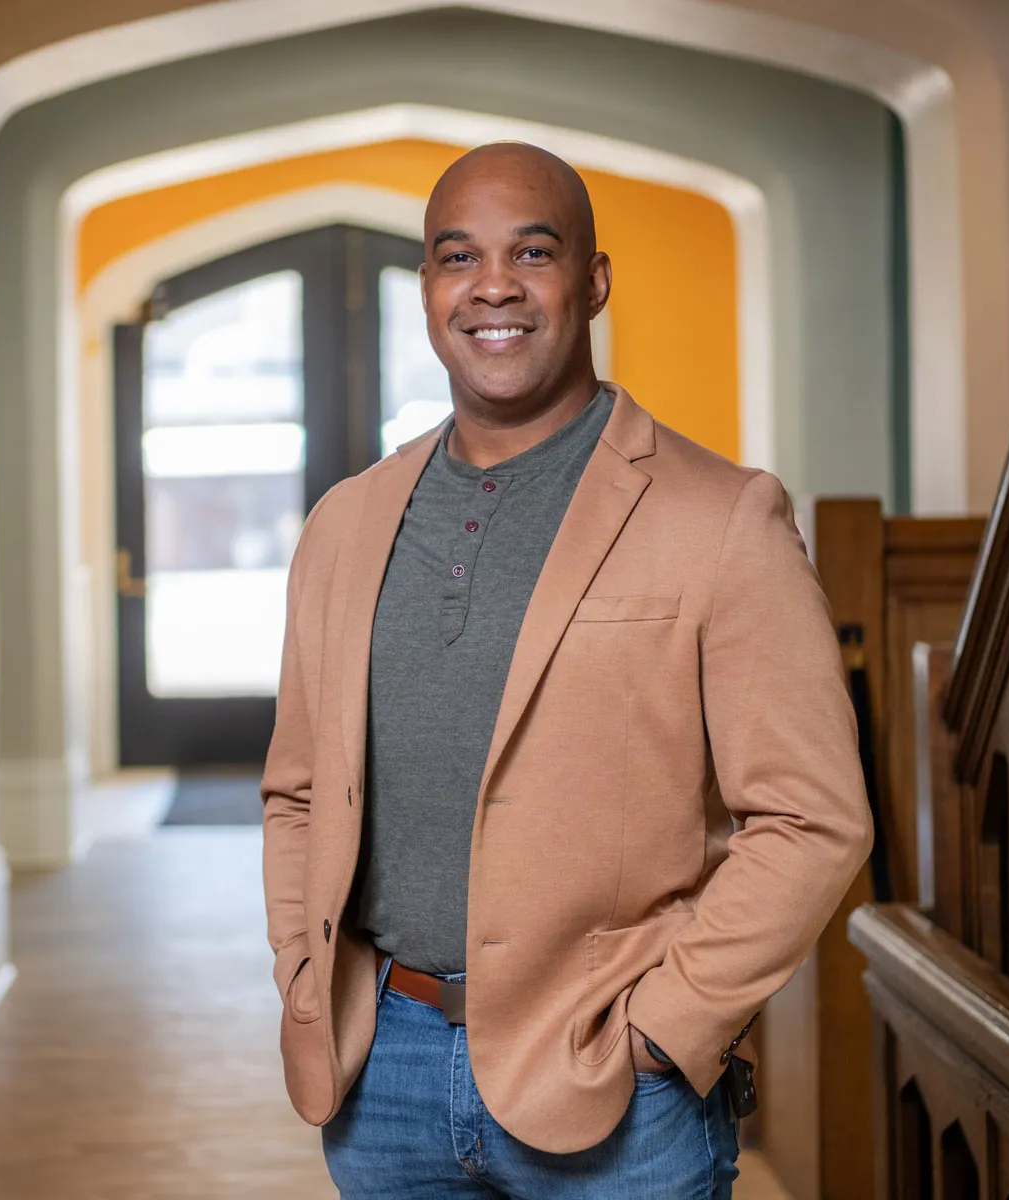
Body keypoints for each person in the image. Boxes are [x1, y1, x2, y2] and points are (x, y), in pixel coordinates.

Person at [261, 142, 873, 1199]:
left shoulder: (721, 516)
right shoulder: (345, 523)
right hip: (383, 1079)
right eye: (459, 257)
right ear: (428, 287)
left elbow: (812, 817)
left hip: (613, 1092)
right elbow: (299, 792)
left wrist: (665, 1029)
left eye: (532, 253)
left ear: (593, 281)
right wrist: (307, 978)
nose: (492, 286)